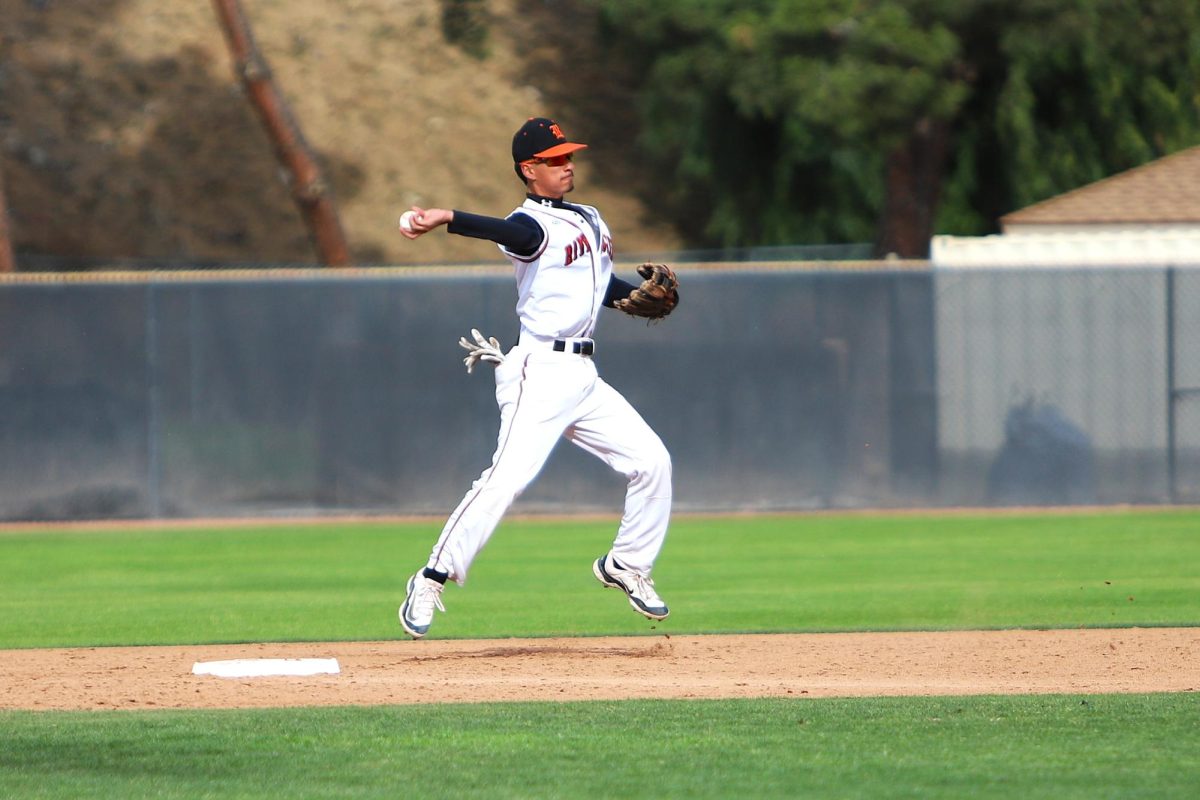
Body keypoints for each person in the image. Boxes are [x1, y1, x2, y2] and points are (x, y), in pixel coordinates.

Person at [395, 117, 677, 639]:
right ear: (529, 169)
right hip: (538, 372)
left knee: (652, 461)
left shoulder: (588, 217)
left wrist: (626, 297)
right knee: (506, 479)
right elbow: (506, 232)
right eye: (555, 160)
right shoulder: (530, 224)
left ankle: (627, 564)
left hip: (583, 375)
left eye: (569, 156)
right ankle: (431, 577)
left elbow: (590, 283)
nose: (567, 165)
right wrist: (446, 217)